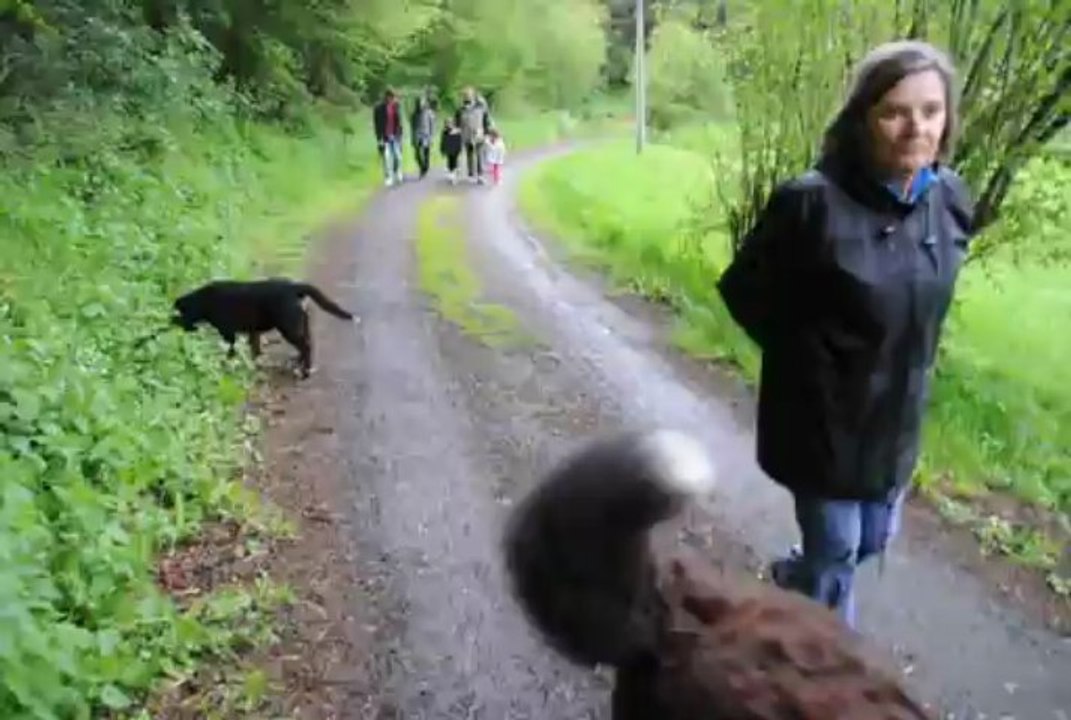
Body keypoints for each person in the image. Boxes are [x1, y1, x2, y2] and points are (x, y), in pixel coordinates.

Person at [716, 40, 976, 630]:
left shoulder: (950, 201)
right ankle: (826, 663)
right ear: (862, 119)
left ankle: (801, 576)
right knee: (837, 557)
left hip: (895, 423)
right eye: (894, 112)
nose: (916, 128)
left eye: (931, 111)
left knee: (872, 541)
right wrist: (812, 361)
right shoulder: (811, 204)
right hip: (824, 426)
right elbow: (746, 292)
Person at [454, 86, 492, 183]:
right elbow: (457, 123)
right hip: (466, 135)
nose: (467, 97)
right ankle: (471, 173)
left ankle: (480, 175)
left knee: (479, 154)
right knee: (469, 153)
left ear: (473, 96)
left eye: (469, 95)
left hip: (478, 134)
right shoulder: (460, 109)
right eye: (465, 95)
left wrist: (487, 132)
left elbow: (486, 119)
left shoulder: (480, 107)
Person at [372, 88, 404, 186]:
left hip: (395, 135)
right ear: (386, 97)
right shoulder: (379, 108)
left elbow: (399, 121)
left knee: (398, 156)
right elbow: (377, 124)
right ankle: (388, 177)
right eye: (390, 97)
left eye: (393, 98)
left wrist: (399, 134)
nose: (392, 99)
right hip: (385, 136)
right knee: (387, 157)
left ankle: (398, 173)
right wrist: (379, 138)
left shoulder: (396, 106)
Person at [410, 94, 436, 179]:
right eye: (418, 103)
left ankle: (425, 167)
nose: (420, 105)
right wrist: (412, 139)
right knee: (417, 154)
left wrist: (431, 137)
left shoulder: (429, 113)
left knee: (426, 153)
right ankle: (422, 167)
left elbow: (432, 125)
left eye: (421, 103)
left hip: (426, 135)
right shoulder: (414, 114)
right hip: (417, 135)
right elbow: (412, 127)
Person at [439, 117, 463, 185]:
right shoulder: (444, 131)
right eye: (447, 123)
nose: (448, 124)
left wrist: (459, 149)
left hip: (455, 150)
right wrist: (442, 150)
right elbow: (442, 141)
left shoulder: (457, 131)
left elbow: (459, 141)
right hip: (449, 149)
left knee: (454, 161)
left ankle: (453, 175)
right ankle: (452, 173)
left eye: (450, 123)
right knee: (450, 161)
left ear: (453, 124)